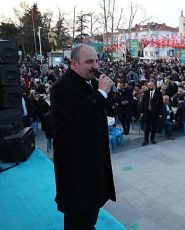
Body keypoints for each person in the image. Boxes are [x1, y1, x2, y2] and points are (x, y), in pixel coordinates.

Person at [50, 44, 116, 229]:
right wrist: (101, 92)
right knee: (77, 210)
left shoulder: (91, 82)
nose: (95, 66)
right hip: (75, 163)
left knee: (92, 205)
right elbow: (79, 115)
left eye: (96, 61)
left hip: (92, 158)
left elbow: (104, 107)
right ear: (74, 64)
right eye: (89, 62)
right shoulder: (61, 87)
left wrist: (107, 92)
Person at [140, 80, 163, 146]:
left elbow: (160, 104)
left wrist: (160, 113)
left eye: (150, 85)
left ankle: (152, 139)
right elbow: (143, 103)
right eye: (148, 85)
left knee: (154, 127)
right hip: (147, 113)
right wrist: (142, 112)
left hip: (155, 113)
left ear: (154, 85)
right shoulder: (146, 92)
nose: (149, 86)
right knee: (146, 128)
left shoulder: (158, 93)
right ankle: (146, 140)